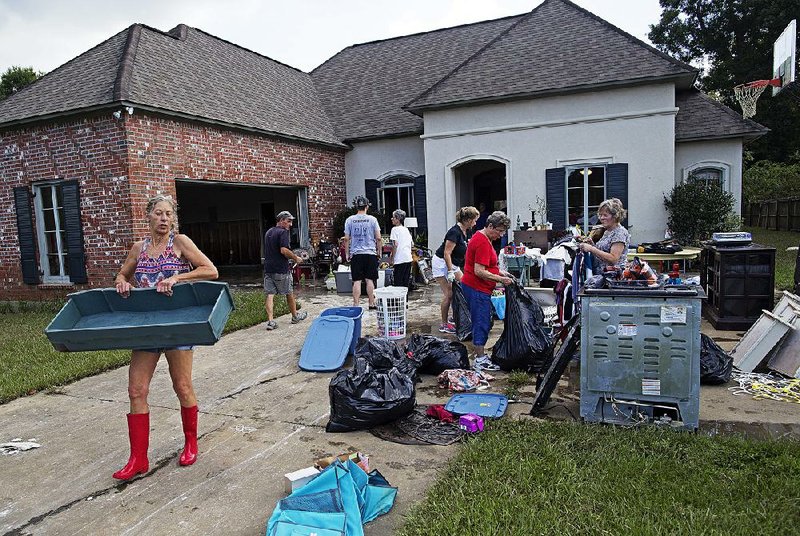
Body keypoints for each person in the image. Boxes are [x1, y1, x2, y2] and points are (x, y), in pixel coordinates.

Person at [113, 194, 218, 480]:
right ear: (148, 216)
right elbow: (121, 275)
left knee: (182, 386)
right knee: (136, 390)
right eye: (158, 213)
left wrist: (177, 278)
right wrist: (122, 283)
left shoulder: (180, 243)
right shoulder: (139, 248)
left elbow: (210, 270)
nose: (164, 219)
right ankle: (138, 459)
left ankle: (191, 442)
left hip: (178, 325)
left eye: (169, 215)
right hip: (146, 326)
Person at [461, 211, 513, 371]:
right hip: (476, 288)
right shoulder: (482, 241)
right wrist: (501, 280)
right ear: (490, 226)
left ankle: (480, 356)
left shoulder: (483, 237)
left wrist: (500, 272)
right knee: (481, 321)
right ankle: (480, 359)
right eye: (500, 231)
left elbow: (487, 266)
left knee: (483, 320)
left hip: (476, 287)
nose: (501, 235)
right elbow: (479, 271)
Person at [433, 206, 480, 333]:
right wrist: (449, 272)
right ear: (468, 220)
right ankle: (444, 324)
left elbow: (465, 251)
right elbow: (446, 253)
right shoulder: (454, 232)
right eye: (474, 220)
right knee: (449, 294)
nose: (475, 223)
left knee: (465, 285)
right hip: (442, 263)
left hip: (453, 264)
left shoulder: (466, 231)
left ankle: (455, 316)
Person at [263, 211, 308, 330]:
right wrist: (295, 258)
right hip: (281, 269)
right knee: (289, 293)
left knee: (270, 295)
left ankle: (270, 321)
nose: (291, 224)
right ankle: (295, 316)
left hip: (268, 269)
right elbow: (283, 250)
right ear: (282, 220)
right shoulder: (283, 232)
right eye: (289, 221)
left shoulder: (269, 232)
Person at [344, 196, 382, 309]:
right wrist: (379, 251)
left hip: (356, 253)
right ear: (367, 206)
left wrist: (347, 253)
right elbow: (379, 238)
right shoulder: (373, 219)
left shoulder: (350, 220)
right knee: (370, 279)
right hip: (370, 253)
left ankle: (356, 304)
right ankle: (371, 302)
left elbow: (346, 239)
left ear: (356, 207)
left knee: (357, 280)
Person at [577, 198, 630, 272]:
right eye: (600, 215)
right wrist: (592, 244)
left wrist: (591, 249)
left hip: (612, 278)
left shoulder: (620, 233)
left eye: (605, 215)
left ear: (615, 216)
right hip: (601, 275)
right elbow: (602, 253)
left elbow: (613, 259)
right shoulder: (608, 231)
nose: (601, 218)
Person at [388, 209, 414, 292]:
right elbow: (411, 244)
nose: (392, 219)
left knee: (398, 282)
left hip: (399, 259)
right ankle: (404, 301)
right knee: (405, 281)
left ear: (398, 219)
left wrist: (392, 258)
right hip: (408, 258)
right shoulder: (406, 230)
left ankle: (398, 301)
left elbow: (395, 245)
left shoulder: (394, 230)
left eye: (393, 217)